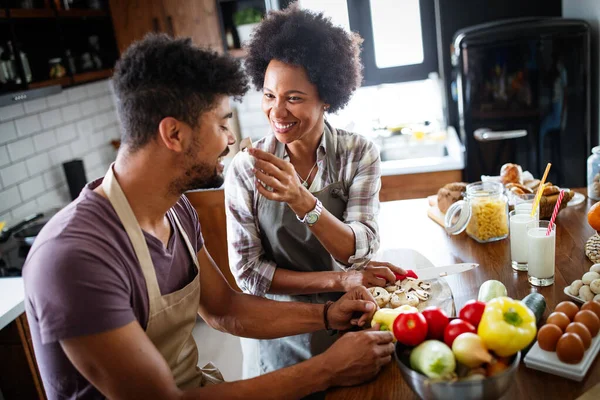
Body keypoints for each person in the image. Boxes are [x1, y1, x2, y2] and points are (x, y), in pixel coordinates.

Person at [22, 33, 395, 400]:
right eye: (221, 124)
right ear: (174, 134)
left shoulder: (176, 210)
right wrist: (327, 369)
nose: (230, 140)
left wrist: (330, 316)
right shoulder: (74, 259)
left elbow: (225, 310)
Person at [225, 5, 405, 379]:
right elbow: (248, 274)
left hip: (354, 323)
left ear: (327, 98)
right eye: (269, 95)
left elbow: (360, 248)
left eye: (294, 98)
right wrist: (339, 279)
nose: (277, 111)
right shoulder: (245, 168)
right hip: (281, 333)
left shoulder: (358, 154)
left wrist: (302, 200)